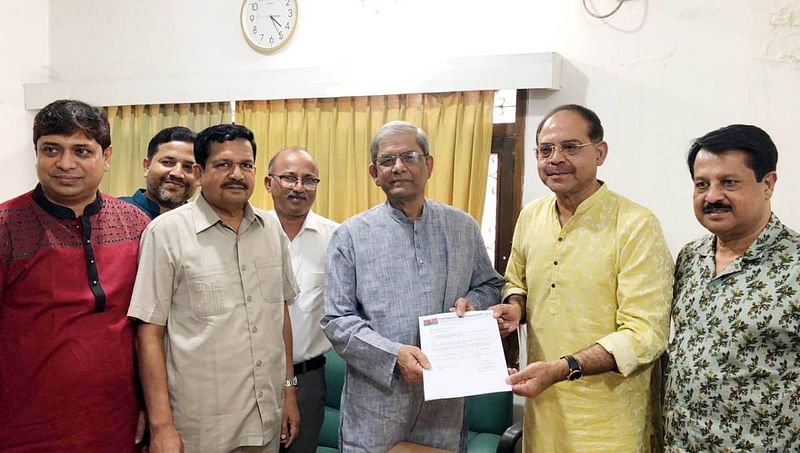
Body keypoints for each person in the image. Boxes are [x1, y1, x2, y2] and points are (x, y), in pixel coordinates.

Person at [493, 104, 673, 452]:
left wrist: (564, 368)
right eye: (546, 150)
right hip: (544, 409)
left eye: (570, 147)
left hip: (608, 422)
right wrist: (515, 307)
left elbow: (646, 334)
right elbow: (516, 282)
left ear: (600, 152)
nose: (555, 158)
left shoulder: (636, 224)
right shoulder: (531, 216)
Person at [322, 120, 504, 452]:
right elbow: (337, 320)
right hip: (377, 403)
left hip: (444, 403)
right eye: (387, 161)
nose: (398, 167)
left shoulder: (462, 227)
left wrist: (474, 303)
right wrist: (394, 356)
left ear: (429, 164)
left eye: (409, 156)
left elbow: (491, 285)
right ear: (374, 173)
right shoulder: (350, 236)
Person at [128, 124, 300, 453]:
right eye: (223, 165)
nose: (237, 174)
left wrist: (289, 390)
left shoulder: (271, 231)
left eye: (246, 165)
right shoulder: (166, 234)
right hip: (199, 429)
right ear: (199, 171)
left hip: (266, 420)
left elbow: (280, 314)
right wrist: (161, 426)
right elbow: (149, 333)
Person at [0, 99, 150, 452]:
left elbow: (149, 330)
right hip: (21, 429)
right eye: (51, 149)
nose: (65, 164)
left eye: (82, 150)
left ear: (107, 156)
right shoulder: (6, 226)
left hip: (116, 425)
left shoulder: (136, 225)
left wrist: (149, 407)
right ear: (36, 152)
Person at [663, 125, 800, 451]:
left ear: (768, 184)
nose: (712, 197)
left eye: (729, 183)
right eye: (701, 185)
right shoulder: (690, 257)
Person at [265, 147, 339, 453]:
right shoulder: (247, 232)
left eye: (309, 180)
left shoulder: (336, 238)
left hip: (309, 377)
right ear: (269, 183)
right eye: (289, 178)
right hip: (252, 375)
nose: (299, 187)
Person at [120, 126, 198, 218]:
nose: (177, 174)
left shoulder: (202, 223)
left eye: (188, 167)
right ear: (147, 166)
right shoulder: (112, 213)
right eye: (167, 162)